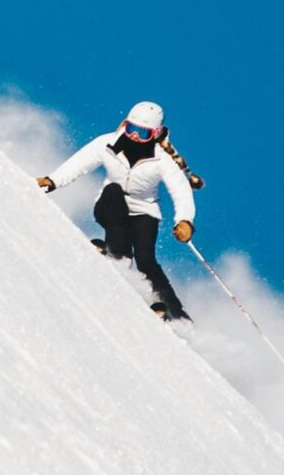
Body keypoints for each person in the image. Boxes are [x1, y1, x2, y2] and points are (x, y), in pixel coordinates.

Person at [36, 101, 196, 321]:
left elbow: (181, 189)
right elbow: (80, 163)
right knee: (113, 191)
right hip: (110, 204)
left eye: (143, 133)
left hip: (144, 210)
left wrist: (184, 220)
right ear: (125, 124)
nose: (134, 137)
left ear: (156, 133)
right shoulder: (107, 143)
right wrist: (53, 181)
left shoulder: (162, 159)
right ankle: (118, 253)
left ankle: (174, 313)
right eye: (131, 129)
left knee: (145, 258)